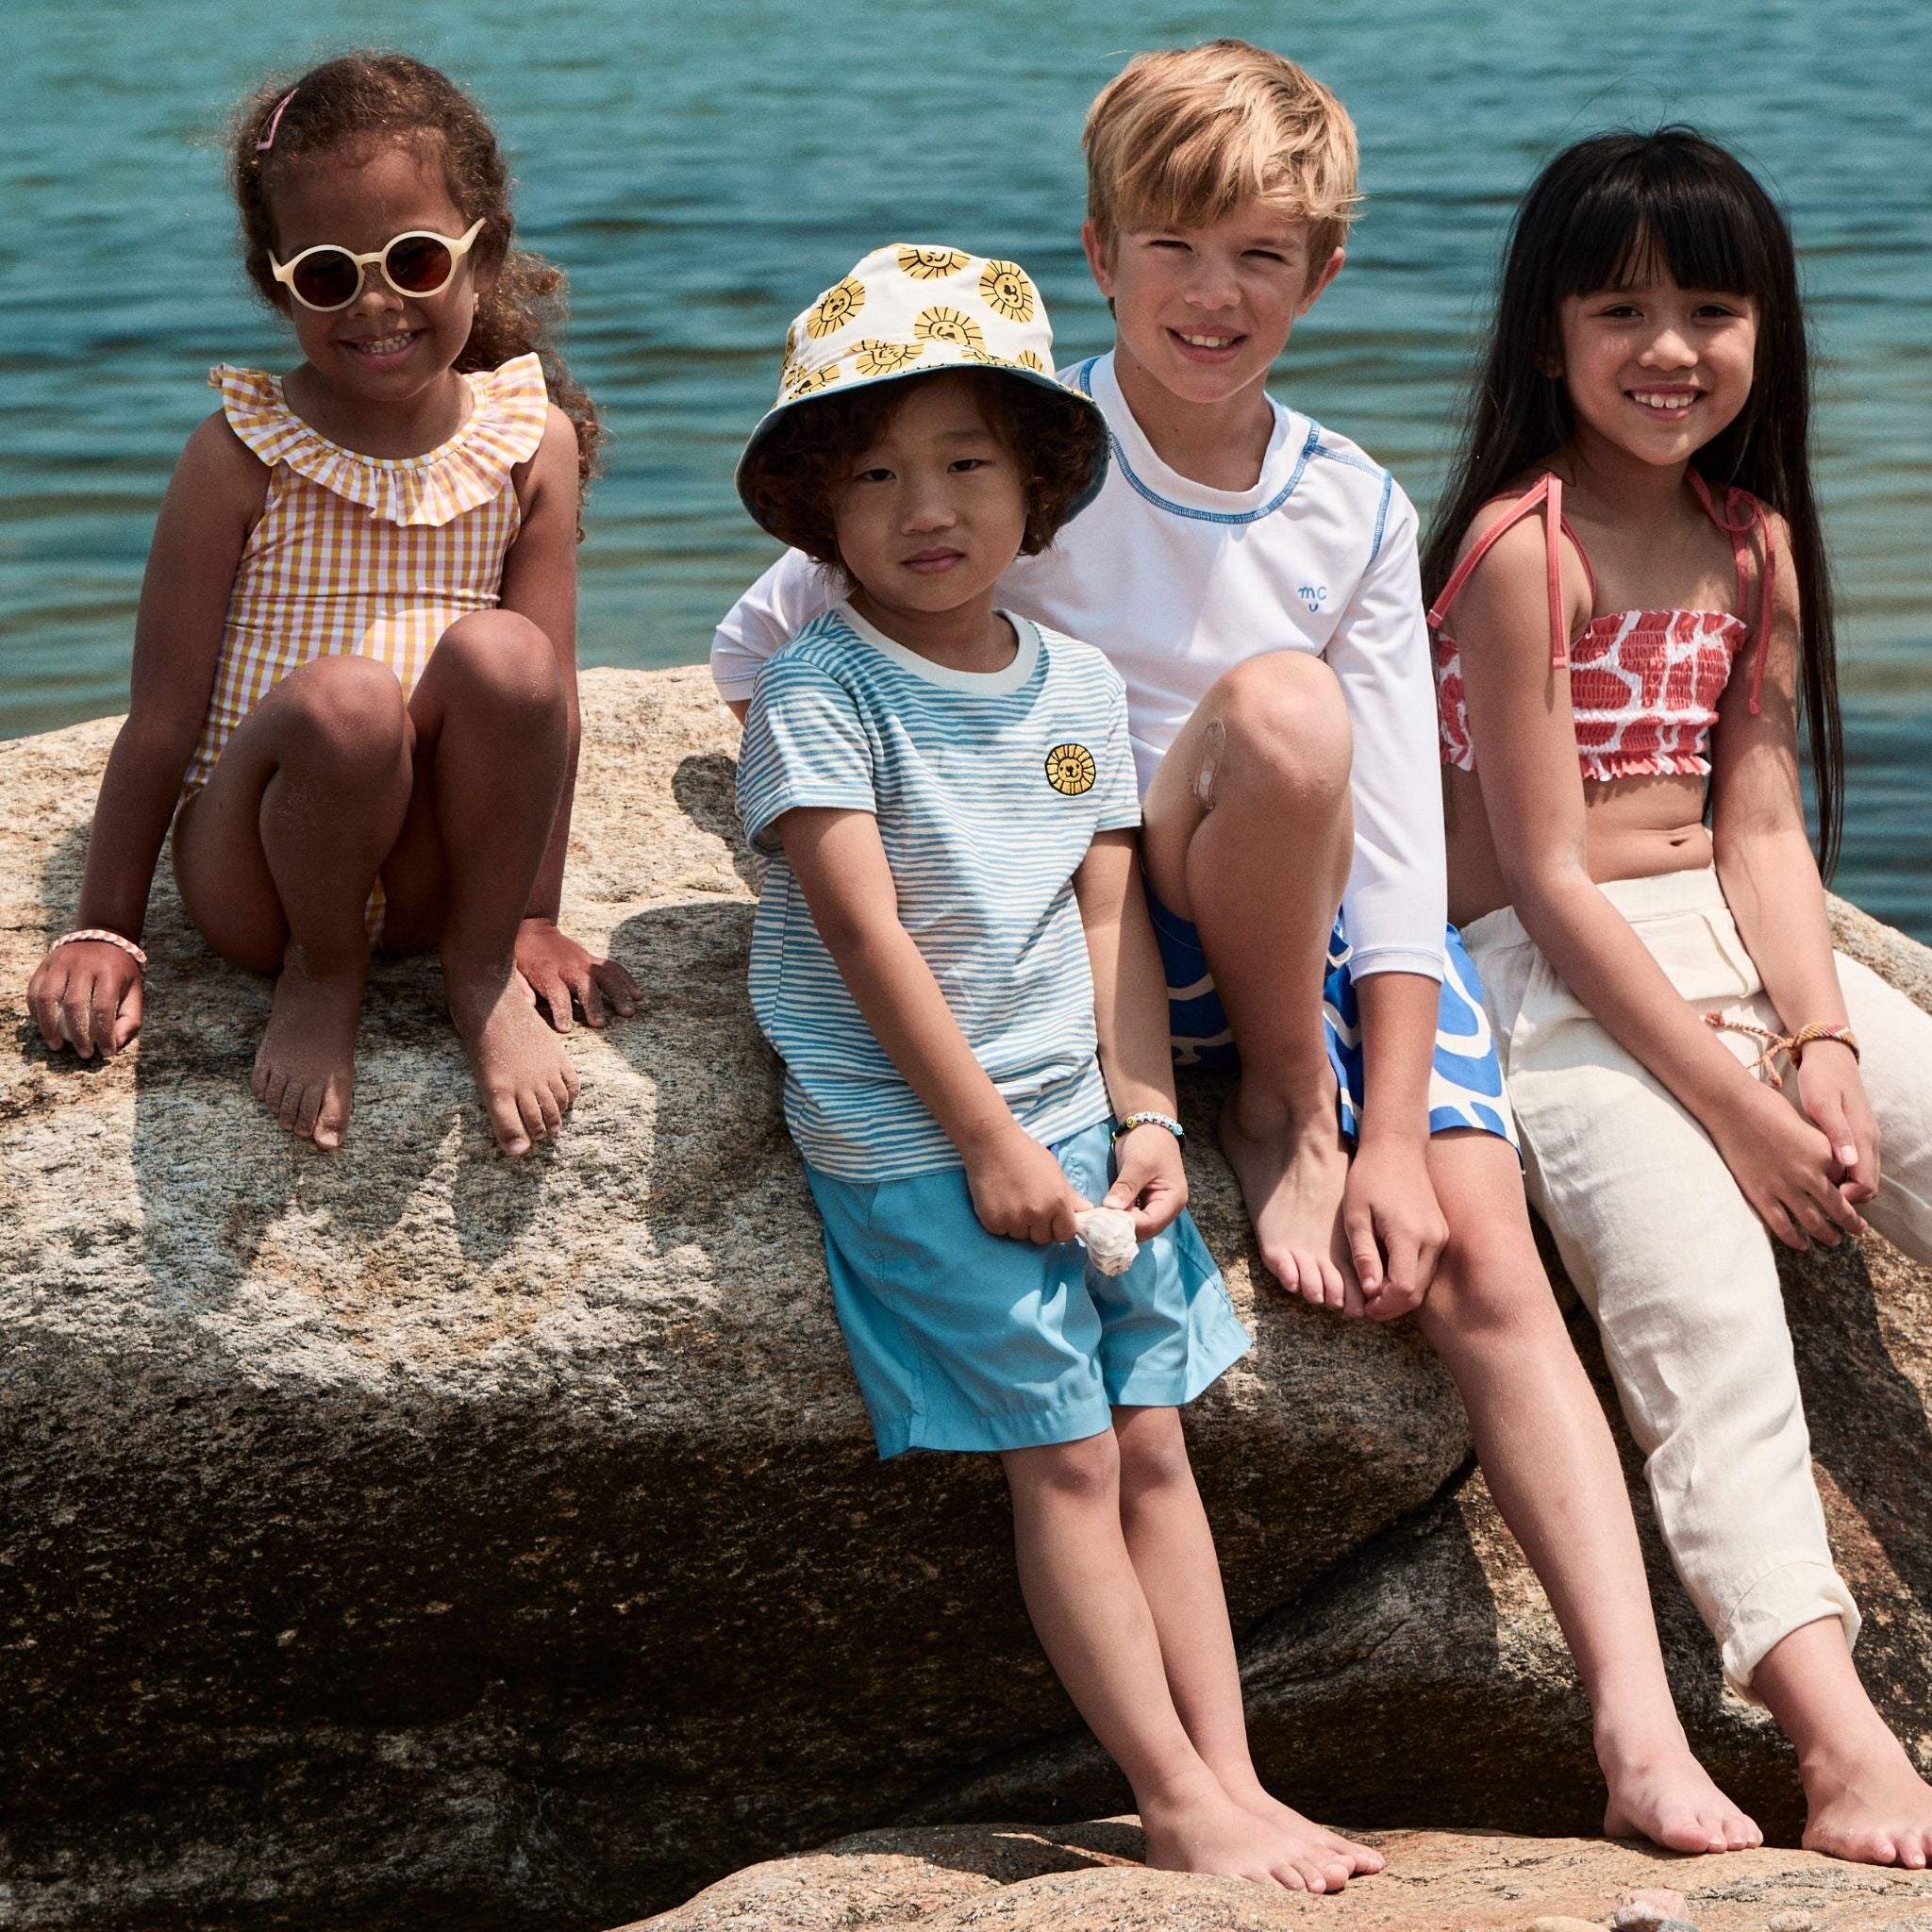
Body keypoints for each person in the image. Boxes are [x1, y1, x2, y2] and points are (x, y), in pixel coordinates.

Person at [715, 42, 1756, 1853]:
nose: (1215, 296)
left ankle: (1638, 1729)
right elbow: (772, 644)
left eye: (1262, 257)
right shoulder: (1010, 443)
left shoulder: (1342, 499)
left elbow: (1398, 835)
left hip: (1283, 927)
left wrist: (1388, 1088)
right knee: (1270, 715)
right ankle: (1278, 1115)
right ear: (1101, 253)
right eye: (1175, 250)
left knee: (1482, 1257)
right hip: (1090, 946)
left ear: (1322, 274)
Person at [734, 242, 1384, 1893]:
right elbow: (866, 937)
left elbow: (1108, 921)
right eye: (873, 473)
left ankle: (1234, 1773)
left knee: (1158, 1437)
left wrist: (1144, 1110)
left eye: (966, 463)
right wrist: (986, 1146)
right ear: (819, 512)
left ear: (1036, 492)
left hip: (1085, 1122)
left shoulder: (1076, 688)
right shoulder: (821, 692)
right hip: (915, 1136)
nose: (924, 505)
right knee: (1072, 1450)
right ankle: (1164, 1791)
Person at [1424, 126, 1932, 1868]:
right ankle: (1838, 1736)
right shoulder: (1520, 548)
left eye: (1709, 308)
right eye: (1619, 306)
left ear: (1764, 331)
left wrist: (1822, 1044)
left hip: (1729, 941)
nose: (1667, 347)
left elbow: (1767, 820)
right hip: (1552, 981)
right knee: (1700, 1306)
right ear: (1544, 332)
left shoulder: (1751, 539)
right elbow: (1548, 879)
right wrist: (1733, 1112)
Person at [25, 52, 637, 1156]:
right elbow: (162, 718)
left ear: (479, 255)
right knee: (349, 702)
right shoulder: (237, 453)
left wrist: (531, 914)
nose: (376, 303)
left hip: (442, 883)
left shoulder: (525, 441)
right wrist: (105, 923)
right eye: (325, 275)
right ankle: (323, 974)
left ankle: (480, 967)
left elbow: (550, 706)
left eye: (411, 258)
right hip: (264, 870)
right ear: (276, 283)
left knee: (508, 657)